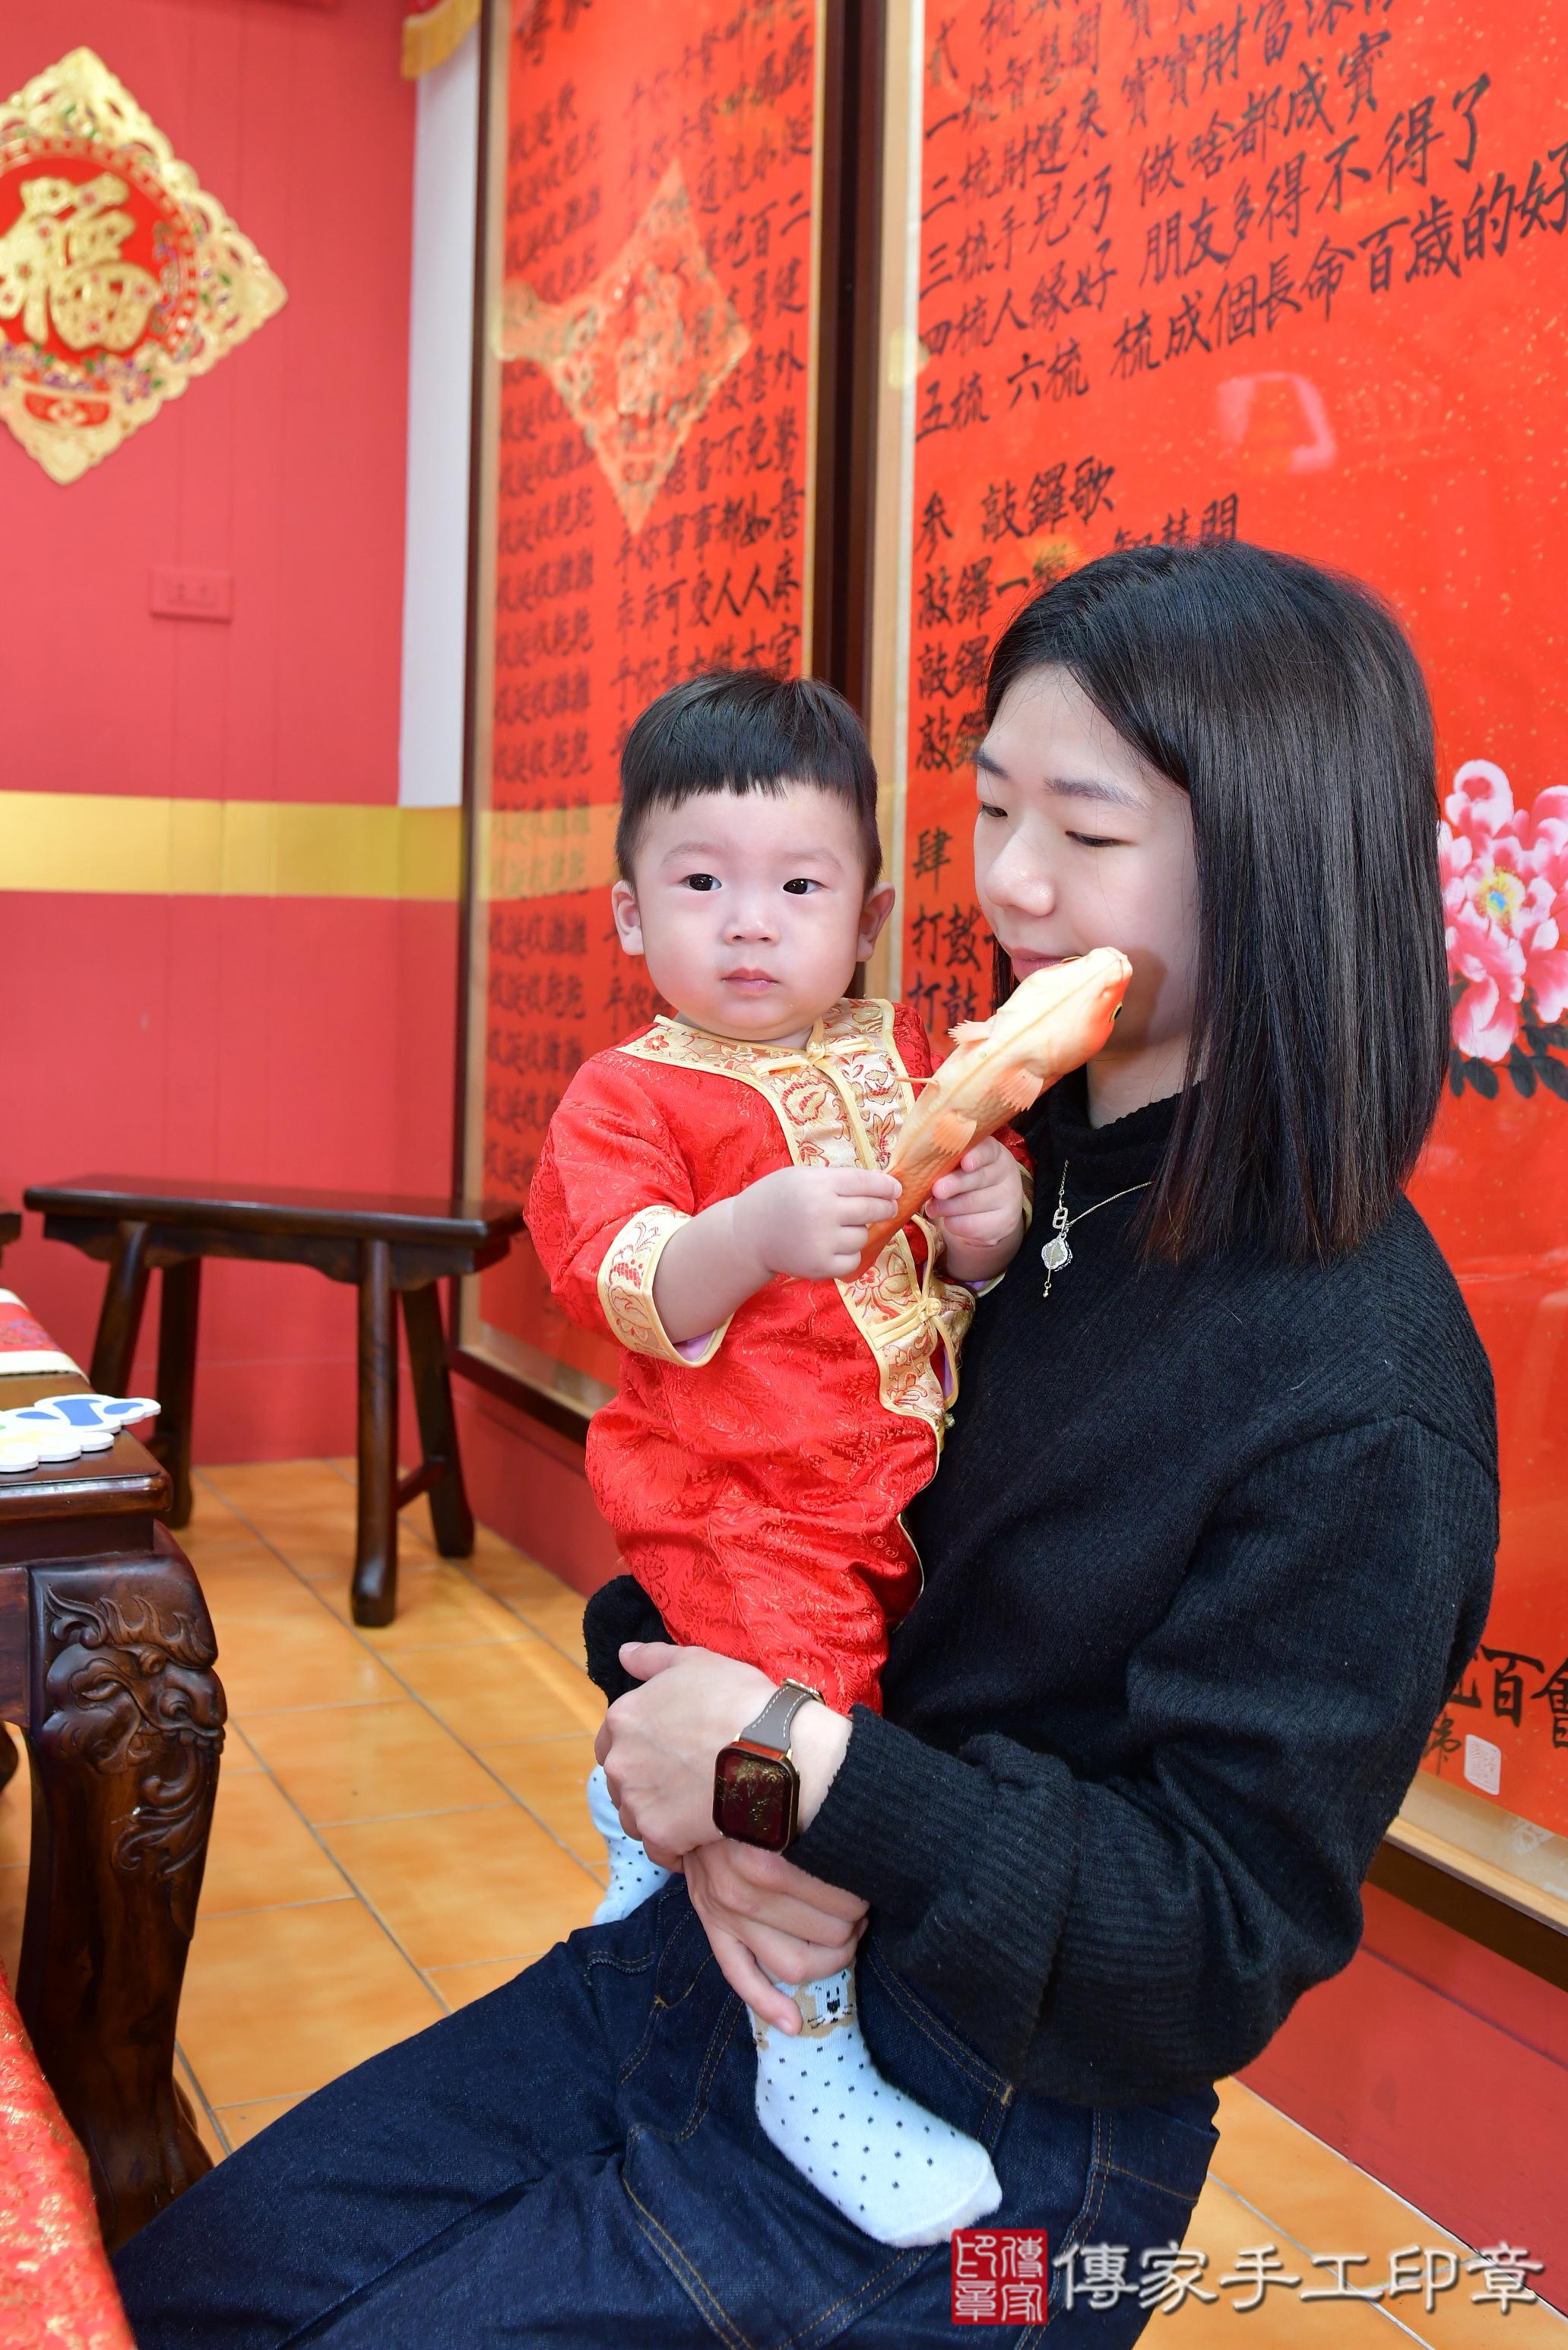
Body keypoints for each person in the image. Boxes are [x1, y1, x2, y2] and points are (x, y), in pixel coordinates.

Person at [114, 542, 1497, 2347]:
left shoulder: (1357, 1384)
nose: (1010, 885)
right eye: (994, 809)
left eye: (1083, 833)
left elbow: (1206, 1940)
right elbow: (757, 1505)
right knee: (174, 2293)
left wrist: (772, 1769)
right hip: (721, 1961)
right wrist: (682, 1709)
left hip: (1004, 2132)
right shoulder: (1001, 1174)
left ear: (1280, 859)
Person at [527, 667, 1042, 2247]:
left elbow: (973, 1262)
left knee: (873, 1726)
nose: (748, 924)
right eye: (700, 884)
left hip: (897, 1491)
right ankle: (803, 2050)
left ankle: (639, 1806)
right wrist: (741, 1234)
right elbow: (614, 1277)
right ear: (629, 913)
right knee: (797, 1757)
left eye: (797, 886)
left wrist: (987, 1229)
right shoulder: (631, 1092)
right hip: (741, 1506)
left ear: (868, 909)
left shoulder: (906, 1051)